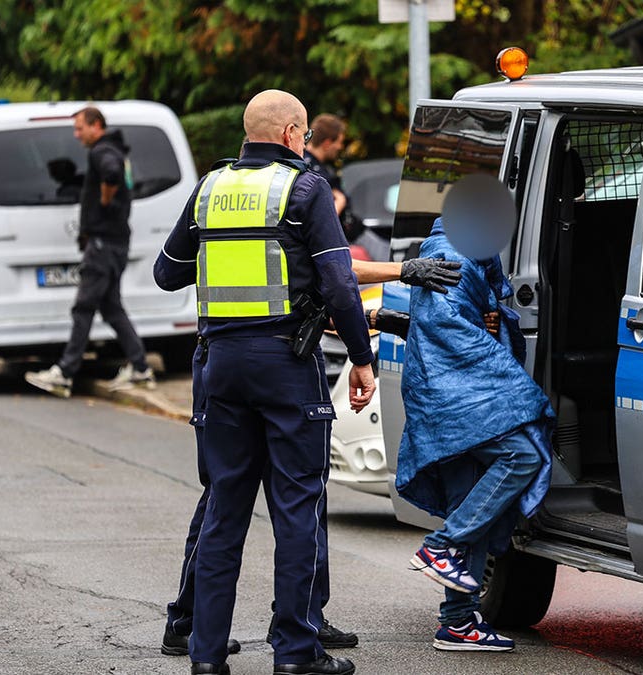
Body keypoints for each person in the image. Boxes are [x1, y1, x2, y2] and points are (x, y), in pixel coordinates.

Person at [154, 89, 374, 675]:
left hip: (219, 364)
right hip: (284, 365)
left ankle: (205, 656)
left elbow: (167, 273)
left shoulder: (209, 189)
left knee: (226, 507)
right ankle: (296, 654)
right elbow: (338, 281)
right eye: (302, 136)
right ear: (291, 134)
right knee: (297, 505)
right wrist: (361, 356)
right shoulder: (305, 189)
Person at [157, 255, 459, 660]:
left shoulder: (232, 200)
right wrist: (400, 275)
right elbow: (331, 271)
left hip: (235, 360)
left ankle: (293, 618)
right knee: (269, 497)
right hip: (270, 360)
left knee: (252, 498)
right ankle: (199, 622)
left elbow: (300, 286)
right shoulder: (292, 193)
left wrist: (370, 316)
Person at [397, 217, 554, 653]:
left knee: (470, 506)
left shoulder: (466, 252)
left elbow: (459, 317)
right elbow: (446, 330)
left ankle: (458, 623)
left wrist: (490, 319)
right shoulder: (454, 256)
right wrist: (501, 369)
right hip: (458, 397)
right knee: (522, 456)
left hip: (450, 395)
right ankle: (439, 546)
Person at [25, 106, 154, 398]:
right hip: (115, 242)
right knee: (111, 308)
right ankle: (141, 368)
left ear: (96, 126)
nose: (76, 134)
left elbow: (111, 174)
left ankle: (65, 373)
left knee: (83, 307)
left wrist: (105, 202)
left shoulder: (102, 151)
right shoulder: (116, 148)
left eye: (80, 127)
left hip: (103, 243)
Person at [304, 114, 389, 262]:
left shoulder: (314, 165)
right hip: (347, 237)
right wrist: (341, 201)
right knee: (388, 261)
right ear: (327, 143)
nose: (340, 147)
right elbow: (320, 216)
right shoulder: (311, 170)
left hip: (352, 232)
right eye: (339, 142)